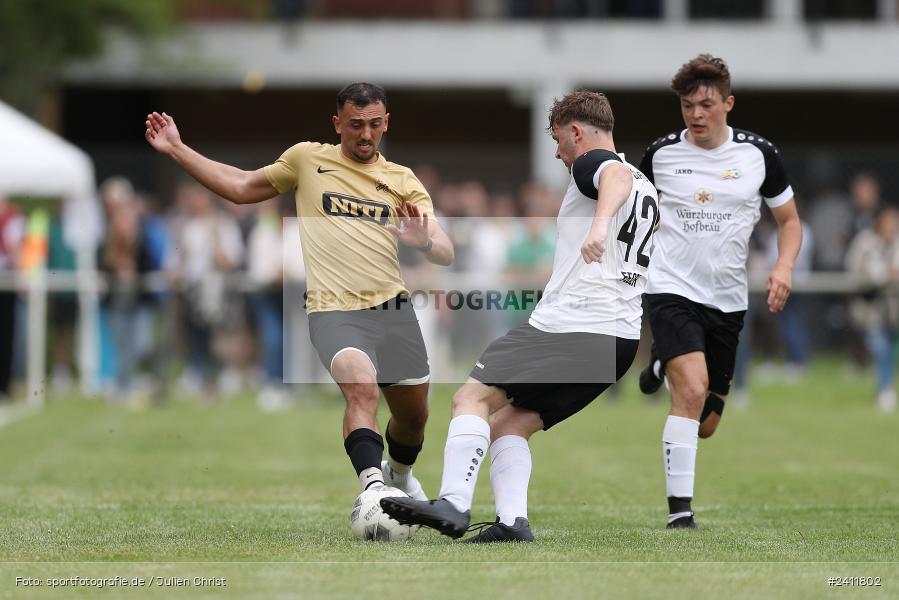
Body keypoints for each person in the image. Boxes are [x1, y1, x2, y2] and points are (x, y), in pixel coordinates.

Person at [145, 83, 454, 503]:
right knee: (361, 389)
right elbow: (240, 186)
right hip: (333, 309)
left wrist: (425, 243)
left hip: (392, 308)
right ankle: (373, 491)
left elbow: (445, 250)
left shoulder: (402, 179)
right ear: (337, 124)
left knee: (414, 417)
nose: (365, 135)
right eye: (356, 125)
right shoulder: (307, 159)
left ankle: (398, 474)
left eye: (375, 125)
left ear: (386, 124)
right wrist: (178, 149)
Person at [380, 90, 658, 542]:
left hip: (572, 327)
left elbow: (611, 177)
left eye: (557, 139)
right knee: (511, 423)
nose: (557, 151)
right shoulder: (646, 185)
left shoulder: (599, 164)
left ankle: (452, 503)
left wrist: (601, 224)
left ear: (576, 132)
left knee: (469, 399)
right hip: (618, 342)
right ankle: (513, 524)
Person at [636, 55, 802, 528]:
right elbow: (637, 215)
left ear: (728, 103)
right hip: (670, 287)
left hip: (728, 299)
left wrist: (784, 266)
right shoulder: (662, 154)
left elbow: (789, 222)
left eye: (706, 104)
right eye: (688, 105)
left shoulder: (758, 155)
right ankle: (680, 514)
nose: (696, 114)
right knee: (690, 391)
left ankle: (662, 364)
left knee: (706, 423)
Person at [845, 207, 899, 413]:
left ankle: (885, 389)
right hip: (869, 307)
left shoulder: (896, 243)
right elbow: (859, 270)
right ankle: (885, 390)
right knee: (880, 348)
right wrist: (885, 274)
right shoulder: (865, 242)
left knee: (889, 351)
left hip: (893, 309)